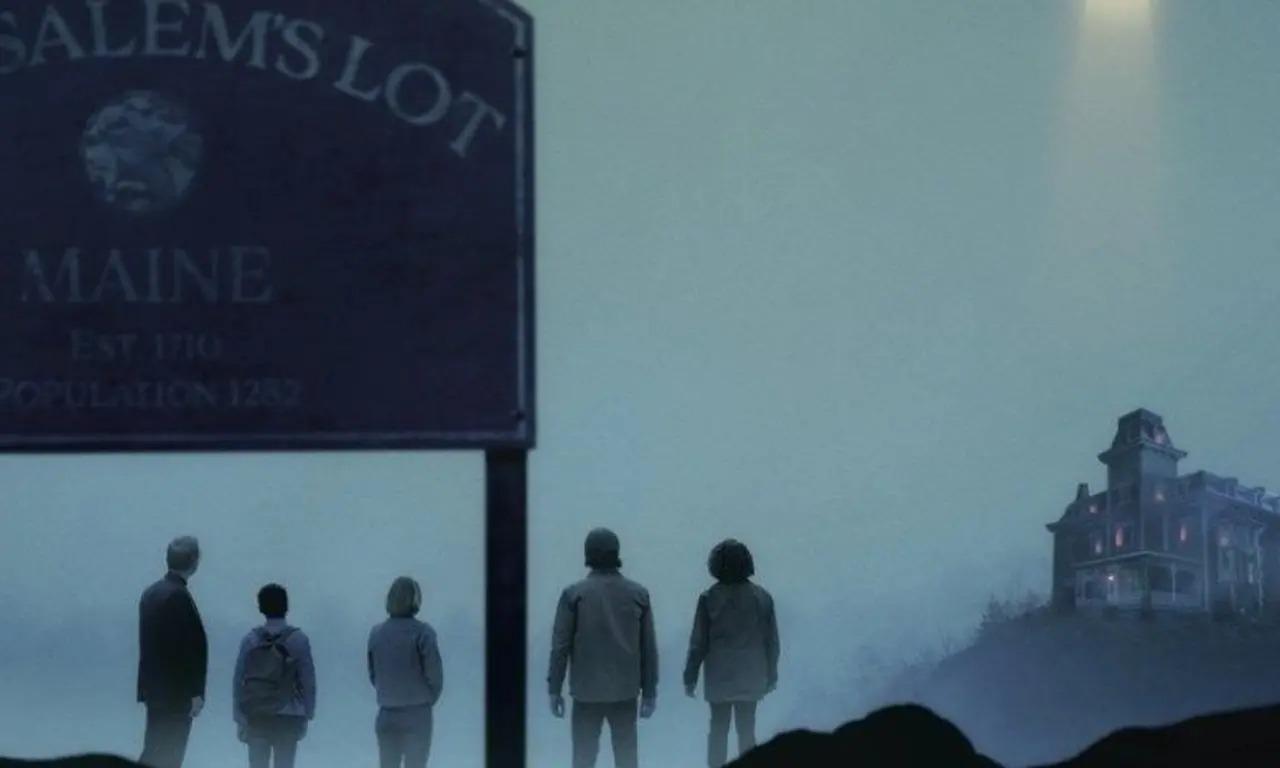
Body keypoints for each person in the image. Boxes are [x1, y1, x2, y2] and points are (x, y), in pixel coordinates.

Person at [547, 528, 659, 768]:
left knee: (583, 759)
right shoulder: (638, 594)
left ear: (587, 554)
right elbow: (648, 648)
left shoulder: (573, 594)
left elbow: (560, 647)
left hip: (586, 691)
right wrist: (650, 691)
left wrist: (554, 688)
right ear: (616, 553)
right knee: (627, 759)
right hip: (625, 691)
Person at [683, 539, 780, 768]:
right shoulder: (762, 597)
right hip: (752, 674)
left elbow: (698, 643)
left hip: (720, 677)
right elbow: (772, 642)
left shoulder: (708, 598)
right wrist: (771, 674)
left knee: (718, 730)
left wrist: (690, 676)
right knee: (747, 730)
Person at [137, 536, 208, 768]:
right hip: (176, 694)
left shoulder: (151, 593)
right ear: (194, 561)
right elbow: (185, 650)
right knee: (171, 753)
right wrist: (195, 692)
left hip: (154, 689)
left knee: (154, 748)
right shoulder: (178, 596)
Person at [232, 583, 317, 768]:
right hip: (289, 713)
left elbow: (239, 680)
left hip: (257, 712)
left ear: (261, 608)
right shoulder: (298, 639)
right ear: (286, 607)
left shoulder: (251, 639)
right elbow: (307, 680)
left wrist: (239, 716)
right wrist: (307, 713)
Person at [368, 576, 444, 768]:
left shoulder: (376, 633)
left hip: (386, 713)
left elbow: (373, 674)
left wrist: (388, 692)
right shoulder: (423, 633)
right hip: (417, 714)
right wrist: (427, 698)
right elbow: (435, 675)